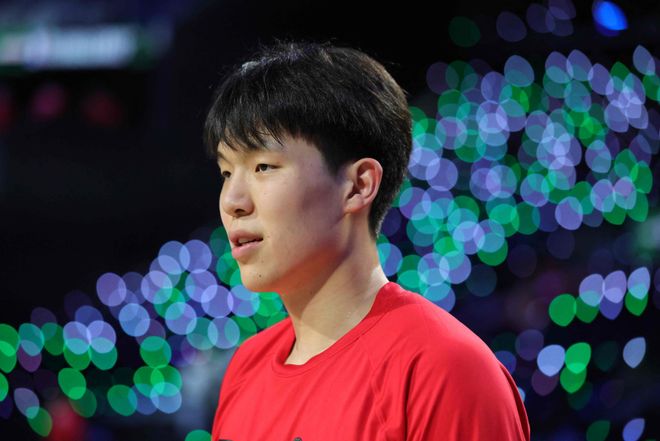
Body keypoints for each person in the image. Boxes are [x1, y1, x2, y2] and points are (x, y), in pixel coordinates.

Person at [203, 38, 530, 441]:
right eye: (226, 172)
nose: (232, 201)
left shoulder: (441, 368)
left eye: (263, 166)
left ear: (359, 185)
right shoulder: (245, 368)